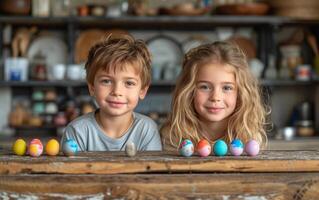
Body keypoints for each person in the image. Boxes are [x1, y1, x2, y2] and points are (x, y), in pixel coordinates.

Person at [161, 41, 270, 150]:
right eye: (205, 87)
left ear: (241, 93)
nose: (215, 97)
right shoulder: (173, 138)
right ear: (189, 91)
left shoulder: (249, 140)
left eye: (227, 88)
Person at [61, 35, 162, 151]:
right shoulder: (77, 131)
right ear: (92, 87)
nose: (117, 92)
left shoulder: (147, 130)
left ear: (143, 91)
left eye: (129, 83)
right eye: (106, 81)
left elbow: (152, 168)